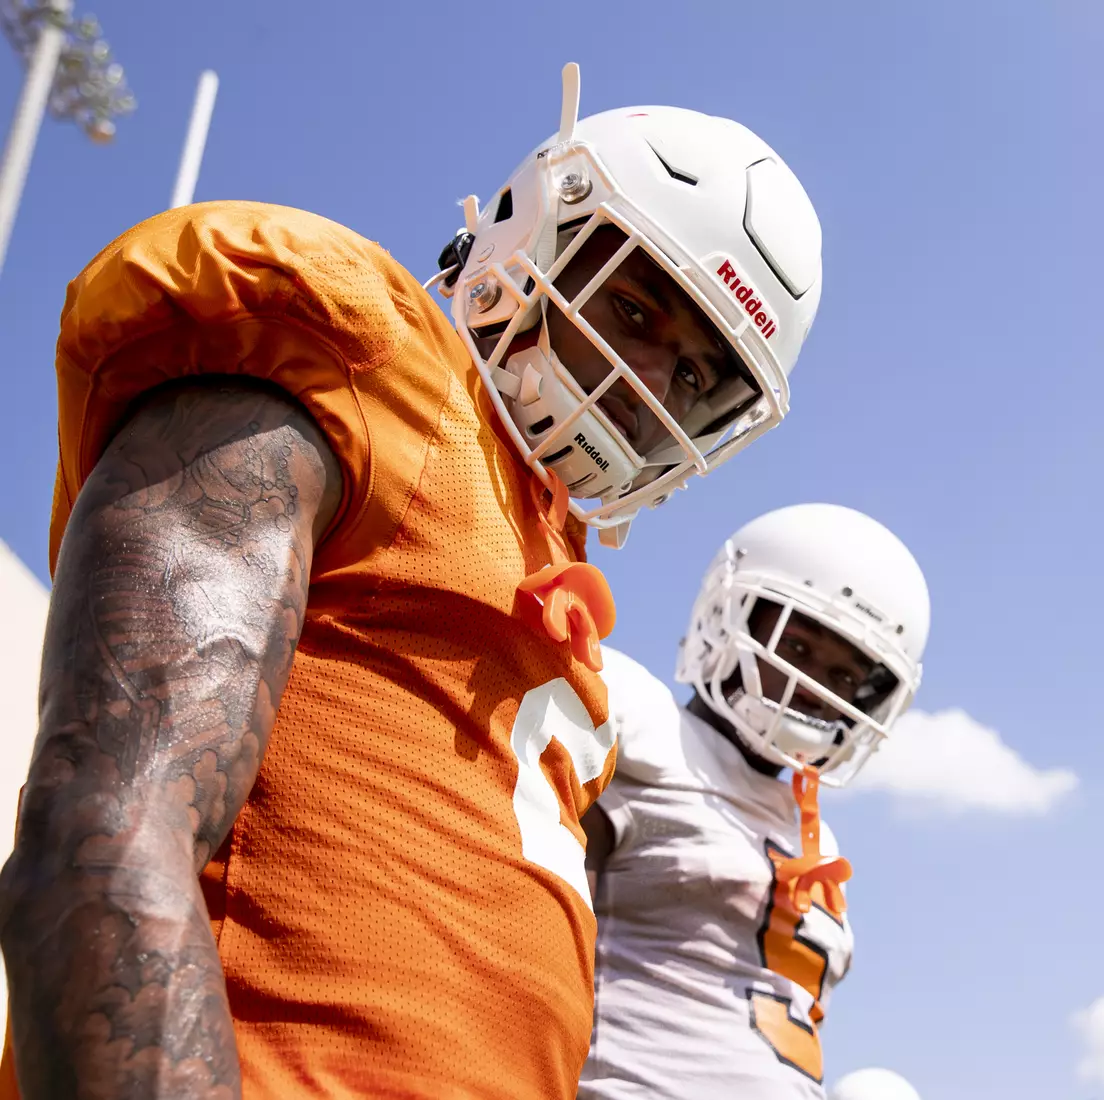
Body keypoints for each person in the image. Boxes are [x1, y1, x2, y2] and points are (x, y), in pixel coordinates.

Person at [0, 63, 822, 1100]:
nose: (650, 380)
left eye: (697, 374)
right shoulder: (362, 363)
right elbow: (106, 837)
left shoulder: (553, 588)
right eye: (635, 307)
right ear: (538, 233)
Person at [579, 503, 930, 1100]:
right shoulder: (645, 730)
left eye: (846, 677)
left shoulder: (817, 839)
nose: (816, 687)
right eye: (796, 647)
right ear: (727, 619)